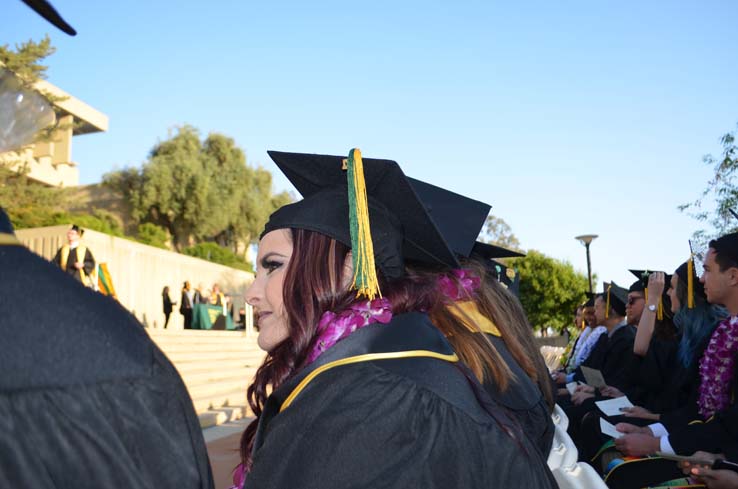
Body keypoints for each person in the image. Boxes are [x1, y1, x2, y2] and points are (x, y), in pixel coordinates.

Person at [235, 150, 557, 489]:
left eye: (272, 265)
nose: (251, 293)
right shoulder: (397, 361)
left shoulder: (370, 398)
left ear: (348, 270)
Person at [0, 207, 213, 488]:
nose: (69, 235)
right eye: (69, 232)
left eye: (72, 232)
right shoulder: (117, 331)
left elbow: (90, 267)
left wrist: (80, 269)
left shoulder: (84, 255)